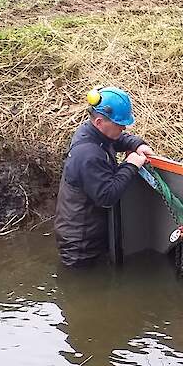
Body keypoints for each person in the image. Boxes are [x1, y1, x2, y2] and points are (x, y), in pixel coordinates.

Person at [55, 86, 155, 267]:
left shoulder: (91, 133)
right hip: (81, 246)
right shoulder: (88, 154)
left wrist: (137, 144)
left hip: (90, 235)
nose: (124, 127)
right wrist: (130, 165)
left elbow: (117, 139)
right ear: (100, 122)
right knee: (85, 292)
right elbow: (107, 196)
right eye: (119, 124)